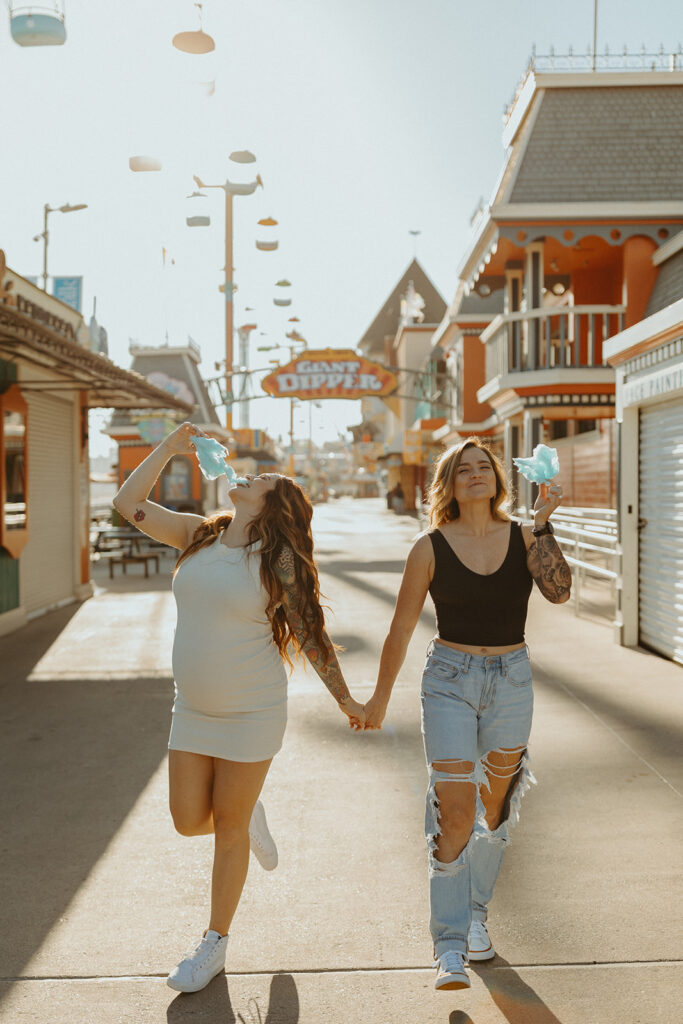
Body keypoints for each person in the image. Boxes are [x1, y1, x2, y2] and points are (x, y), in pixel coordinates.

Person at [113, 422, 365, 993]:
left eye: (262, 478)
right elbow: (127, 503)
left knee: (224, 830)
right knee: (186, 822)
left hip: (252, 712)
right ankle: (247, 810)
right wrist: (169, 448)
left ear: (274, 504)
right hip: (193, 709)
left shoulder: (276, 561)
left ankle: (214, 945)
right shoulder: (200, 535)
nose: (246, 473)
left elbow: (311, 634)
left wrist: (347, 699)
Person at [362, 437, 571, 991]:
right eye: (464, 469)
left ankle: (477, 911)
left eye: (485, 467)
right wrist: (379, 698)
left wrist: (545, 526)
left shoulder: (525, 535)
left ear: (498, 479)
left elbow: (559, 591)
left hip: (511, 680)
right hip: (449, 680)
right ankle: (449, 944)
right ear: (449, 483)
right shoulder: (428, 547)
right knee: (455, 811)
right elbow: (401, 627)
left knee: (493, 805)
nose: (476, 475)